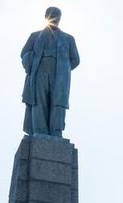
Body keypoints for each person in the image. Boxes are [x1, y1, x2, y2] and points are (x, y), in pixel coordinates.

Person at [20, 6, 80, 137]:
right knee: (39, 100)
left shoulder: (68, 39)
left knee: (57, 102)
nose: (55, 17)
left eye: (57, 15)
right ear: (47, 17)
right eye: (52, 15)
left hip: (59, 74)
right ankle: (39, 132)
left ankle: (56, 131)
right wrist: (31, 63)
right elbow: (24, 53)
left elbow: (75, 59)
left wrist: (63, 69)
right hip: (39, 71)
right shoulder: (35, 36)